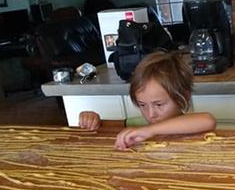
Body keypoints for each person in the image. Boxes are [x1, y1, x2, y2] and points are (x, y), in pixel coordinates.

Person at [78, 51, 216, 150]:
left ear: (184, 96)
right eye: (142, 105)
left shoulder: (192, 125)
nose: (151, 114)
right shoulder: (138, 126)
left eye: (159, 104)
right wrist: (93, 120)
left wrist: (150, 130)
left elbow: (208, 120)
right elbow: (107, 126)